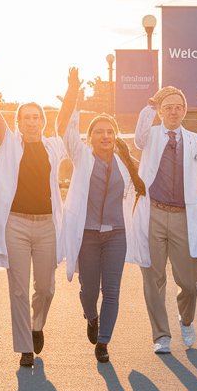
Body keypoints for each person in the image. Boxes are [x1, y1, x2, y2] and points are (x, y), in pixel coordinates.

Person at [0, 52, 69, 368]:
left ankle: (37, 324)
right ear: (18, 122)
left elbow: (66, 119)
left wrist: (71, 91)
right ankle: (25, 347)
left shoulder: (54, 145)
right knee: (18, 289)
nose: (32, 122)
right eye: (26, 117)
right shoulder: (10, 143)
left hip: (46, 226)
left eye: (36, 117)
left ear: (42, 121)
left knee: (45, 287)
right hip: (14, 225)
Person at [59, 68, 148, 363]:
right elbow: (65, 129)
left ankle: (104, 343)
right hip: (87, 234)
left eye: (109, 131)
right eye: (99, 131)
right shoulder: (83, 157)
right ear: (91, 138)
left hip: (117, 235)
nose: (105, 135)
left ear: (114, 136)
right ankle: (91, 317)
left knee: (111, 290)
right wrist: (73, 92)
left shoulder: (126, 163)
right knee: (88, 289)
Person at [134, 84, 197, 354]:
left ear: (184, 111)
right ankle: (161, 335)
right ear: (159, 111)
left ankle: (186, 318)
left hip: (183, 216)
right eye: (167, 107)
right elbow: (138, 138)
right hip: (153, 213)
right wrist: (151, 103)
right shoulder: (152, 135)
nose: (173, 111)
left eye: (178, 107)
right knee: (154, 278)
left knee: (189, 283)